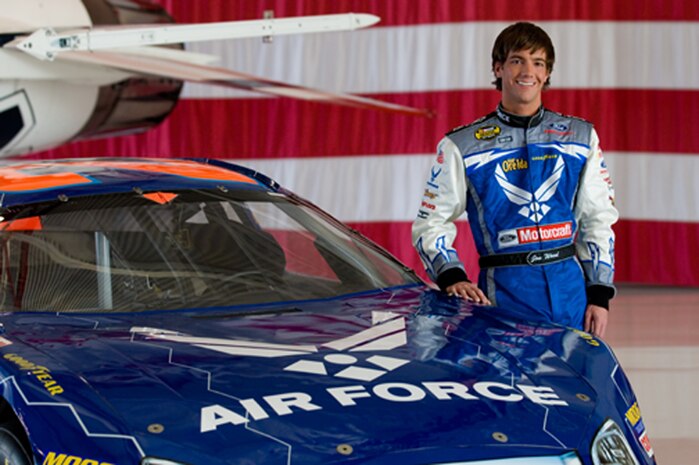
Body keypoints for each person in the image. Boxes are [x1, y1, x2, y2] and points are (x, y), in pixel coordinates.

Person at [412, 22, 618, 337]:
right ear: (498, 68)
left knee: (577, 383)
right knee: (512, 385)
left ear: (547, 73)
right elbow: (431, 222)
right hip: (504, 293)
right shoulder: (462, 145)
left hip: (570, 291)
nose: (528, 71)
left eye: (538, 63)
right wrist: (451, 276)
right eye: (517, 60)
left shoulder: (580, 137)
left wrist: (599, 293)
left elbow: (598, 217)